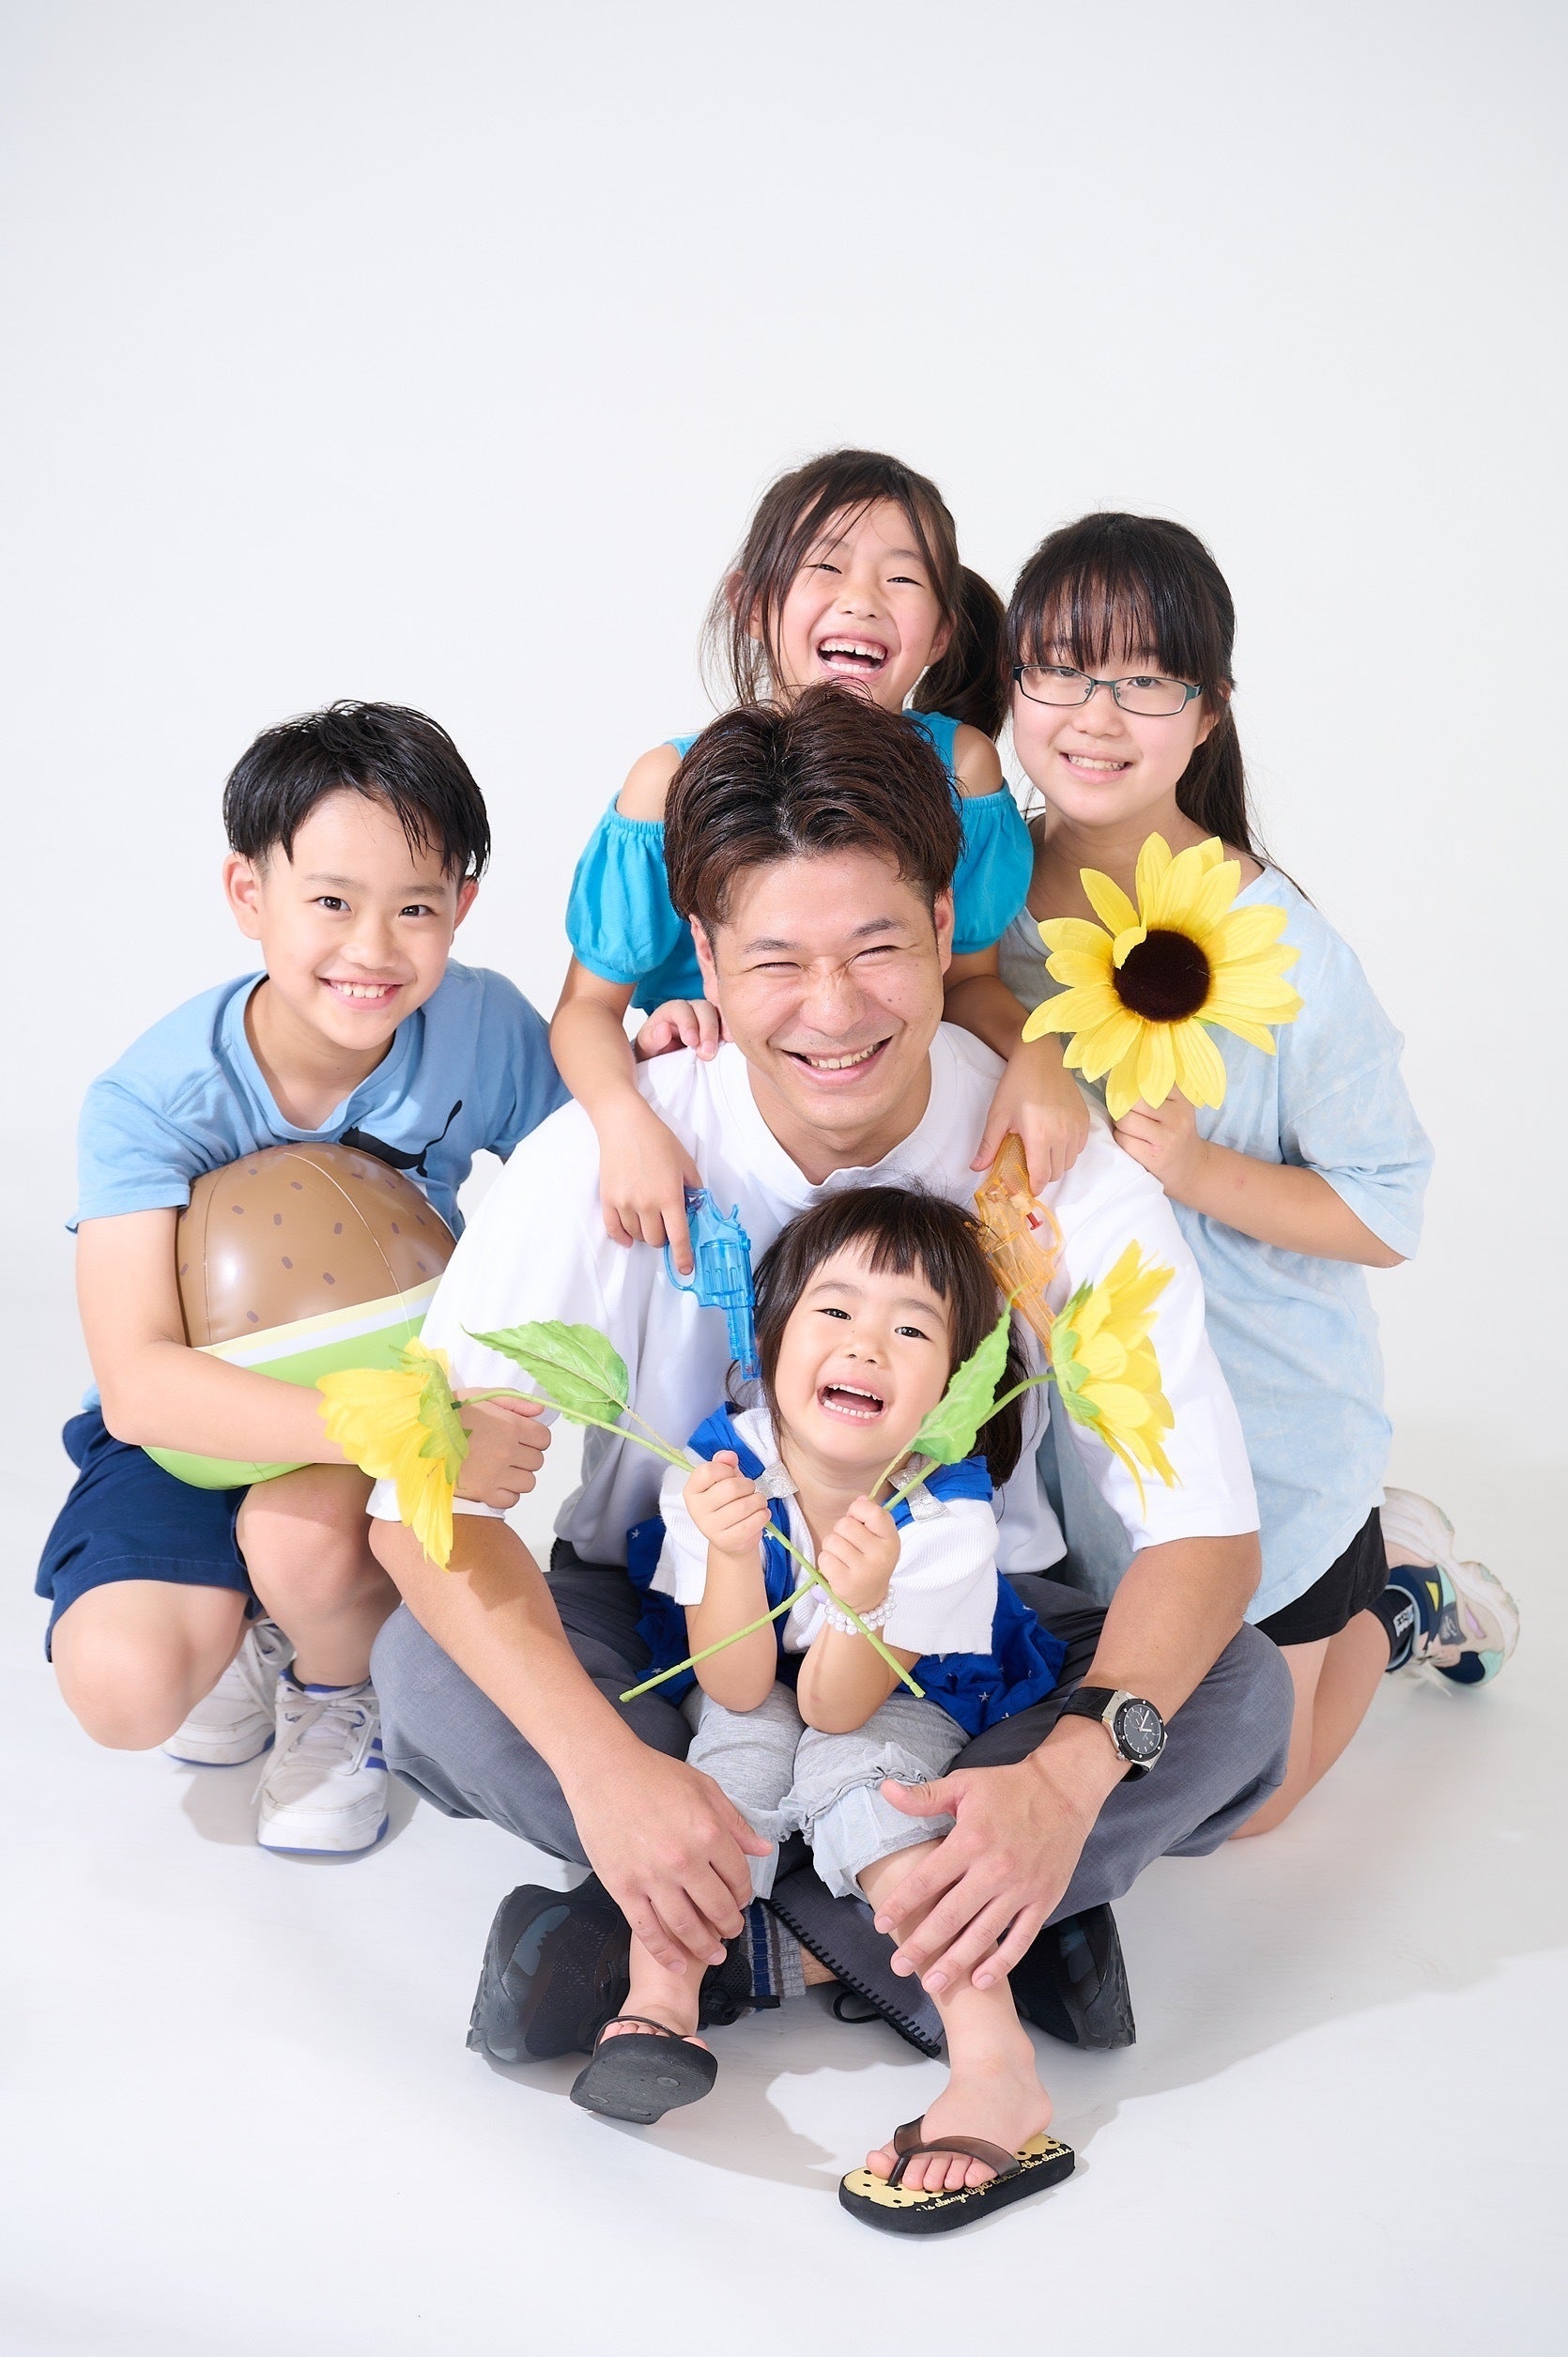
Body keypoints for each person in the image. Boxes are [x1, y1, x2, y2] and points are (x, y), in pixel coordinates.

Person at [366, 686, 1290, 2091]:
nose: (835, 1009)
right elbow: (416, 1506)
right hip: (671, 1620)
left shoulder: (1045, 1158)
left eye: (875, 946)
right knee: (424, 1670)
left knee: (1234, 1693)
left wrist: (1062, 1779)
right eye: (778, 961)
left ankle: (720, 1940)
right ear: (703, 957)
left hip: (955, 1640)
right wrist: (605, 1771)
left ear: (942, 922)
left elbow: (1205, 1534)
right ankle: (949, 1929)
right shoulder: (611, 1146)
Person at [995, 513, 1518, 1833]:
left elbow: (1382, 1206)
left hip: (1264, 1428)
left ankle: (1401, 1590)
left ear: (1208, 711)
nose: (1095, 714)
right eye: (1060, 670)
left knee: (1247, 1806)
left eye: (1143, 679)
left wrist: (1194, 1166)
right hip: (1067, 1445)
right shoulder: (970, 897)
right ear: (1011, 684)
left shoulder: (1277, 948)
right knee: (1101, 1728)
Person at [37, 702, 562, 1854]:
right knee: (123, 1688)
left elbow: (583, 1176)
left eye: (415, 907)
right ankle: (257, 1621)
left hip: (367, 1397)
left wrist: (650, 1053)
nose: (372, 948)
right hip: (195, 1420)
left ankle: (333, 1678)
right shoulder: (151, 1095)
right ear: (248, 892)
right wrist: (407, 1430)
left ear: (463, 905)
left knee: (301, 1544)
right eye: (330, 901)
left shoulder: (483, 1026)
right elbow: (139, 1384)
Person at [574, 1189, 1072, 2227]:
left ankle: (996, 2061)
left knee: (860, 1785)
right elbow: (735, 1684)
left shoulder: (943, 1513)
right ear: (770, 1336)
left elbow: (837, 1707)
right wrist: (726, 1553)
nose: (866, 1345)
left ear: (956, 1383)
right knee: (725, 1777)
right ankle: (661, 2004)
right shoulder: (719, 1466)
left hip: (896, 1681)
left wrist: (867, 1598)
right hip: (751, 1665)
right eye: (835, 1311)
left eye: (912, 1330)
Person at [550, 448, 1090, 1279]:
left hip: (896, 1145)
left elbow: (967, 983)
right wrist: (624, 1117)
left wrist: (1039, 1052)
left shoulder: (964, 769)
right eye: (825, 568)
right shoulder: (668, 786)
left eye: (901, 579)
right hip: (713, 1137)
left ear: (942, 632)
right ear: (753, 604)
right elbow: (586, 1010)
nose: (861, 599)